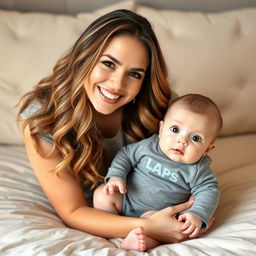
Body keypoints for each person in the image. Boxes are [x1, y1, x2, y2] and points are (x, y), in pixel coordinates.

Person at [17, 9, 211, 245]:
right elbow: (73, 211)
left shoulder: (163, 107)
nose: (117, 84)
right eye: (108, 63)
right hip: (103, 207)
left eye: (135, 74)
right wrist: (148, 227)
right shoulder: (42, 118)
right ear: (84, 57)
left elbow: (193, 164)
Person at [94, 93, 222, 251]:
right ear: (161, 129)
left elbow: (209, 190)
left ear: (207, 149)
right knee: (102, 194)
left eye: (195, 138)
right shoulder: (149, 146)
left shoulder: (197, 169)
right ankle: (109, 229)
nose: (182, 141)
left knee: (157, 237)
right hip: (126, 198)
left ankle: (135, 242)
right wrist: (116, 176)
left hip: (157, 216)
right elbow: (126, 155)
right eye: (175, 129)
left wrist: (197, 213)